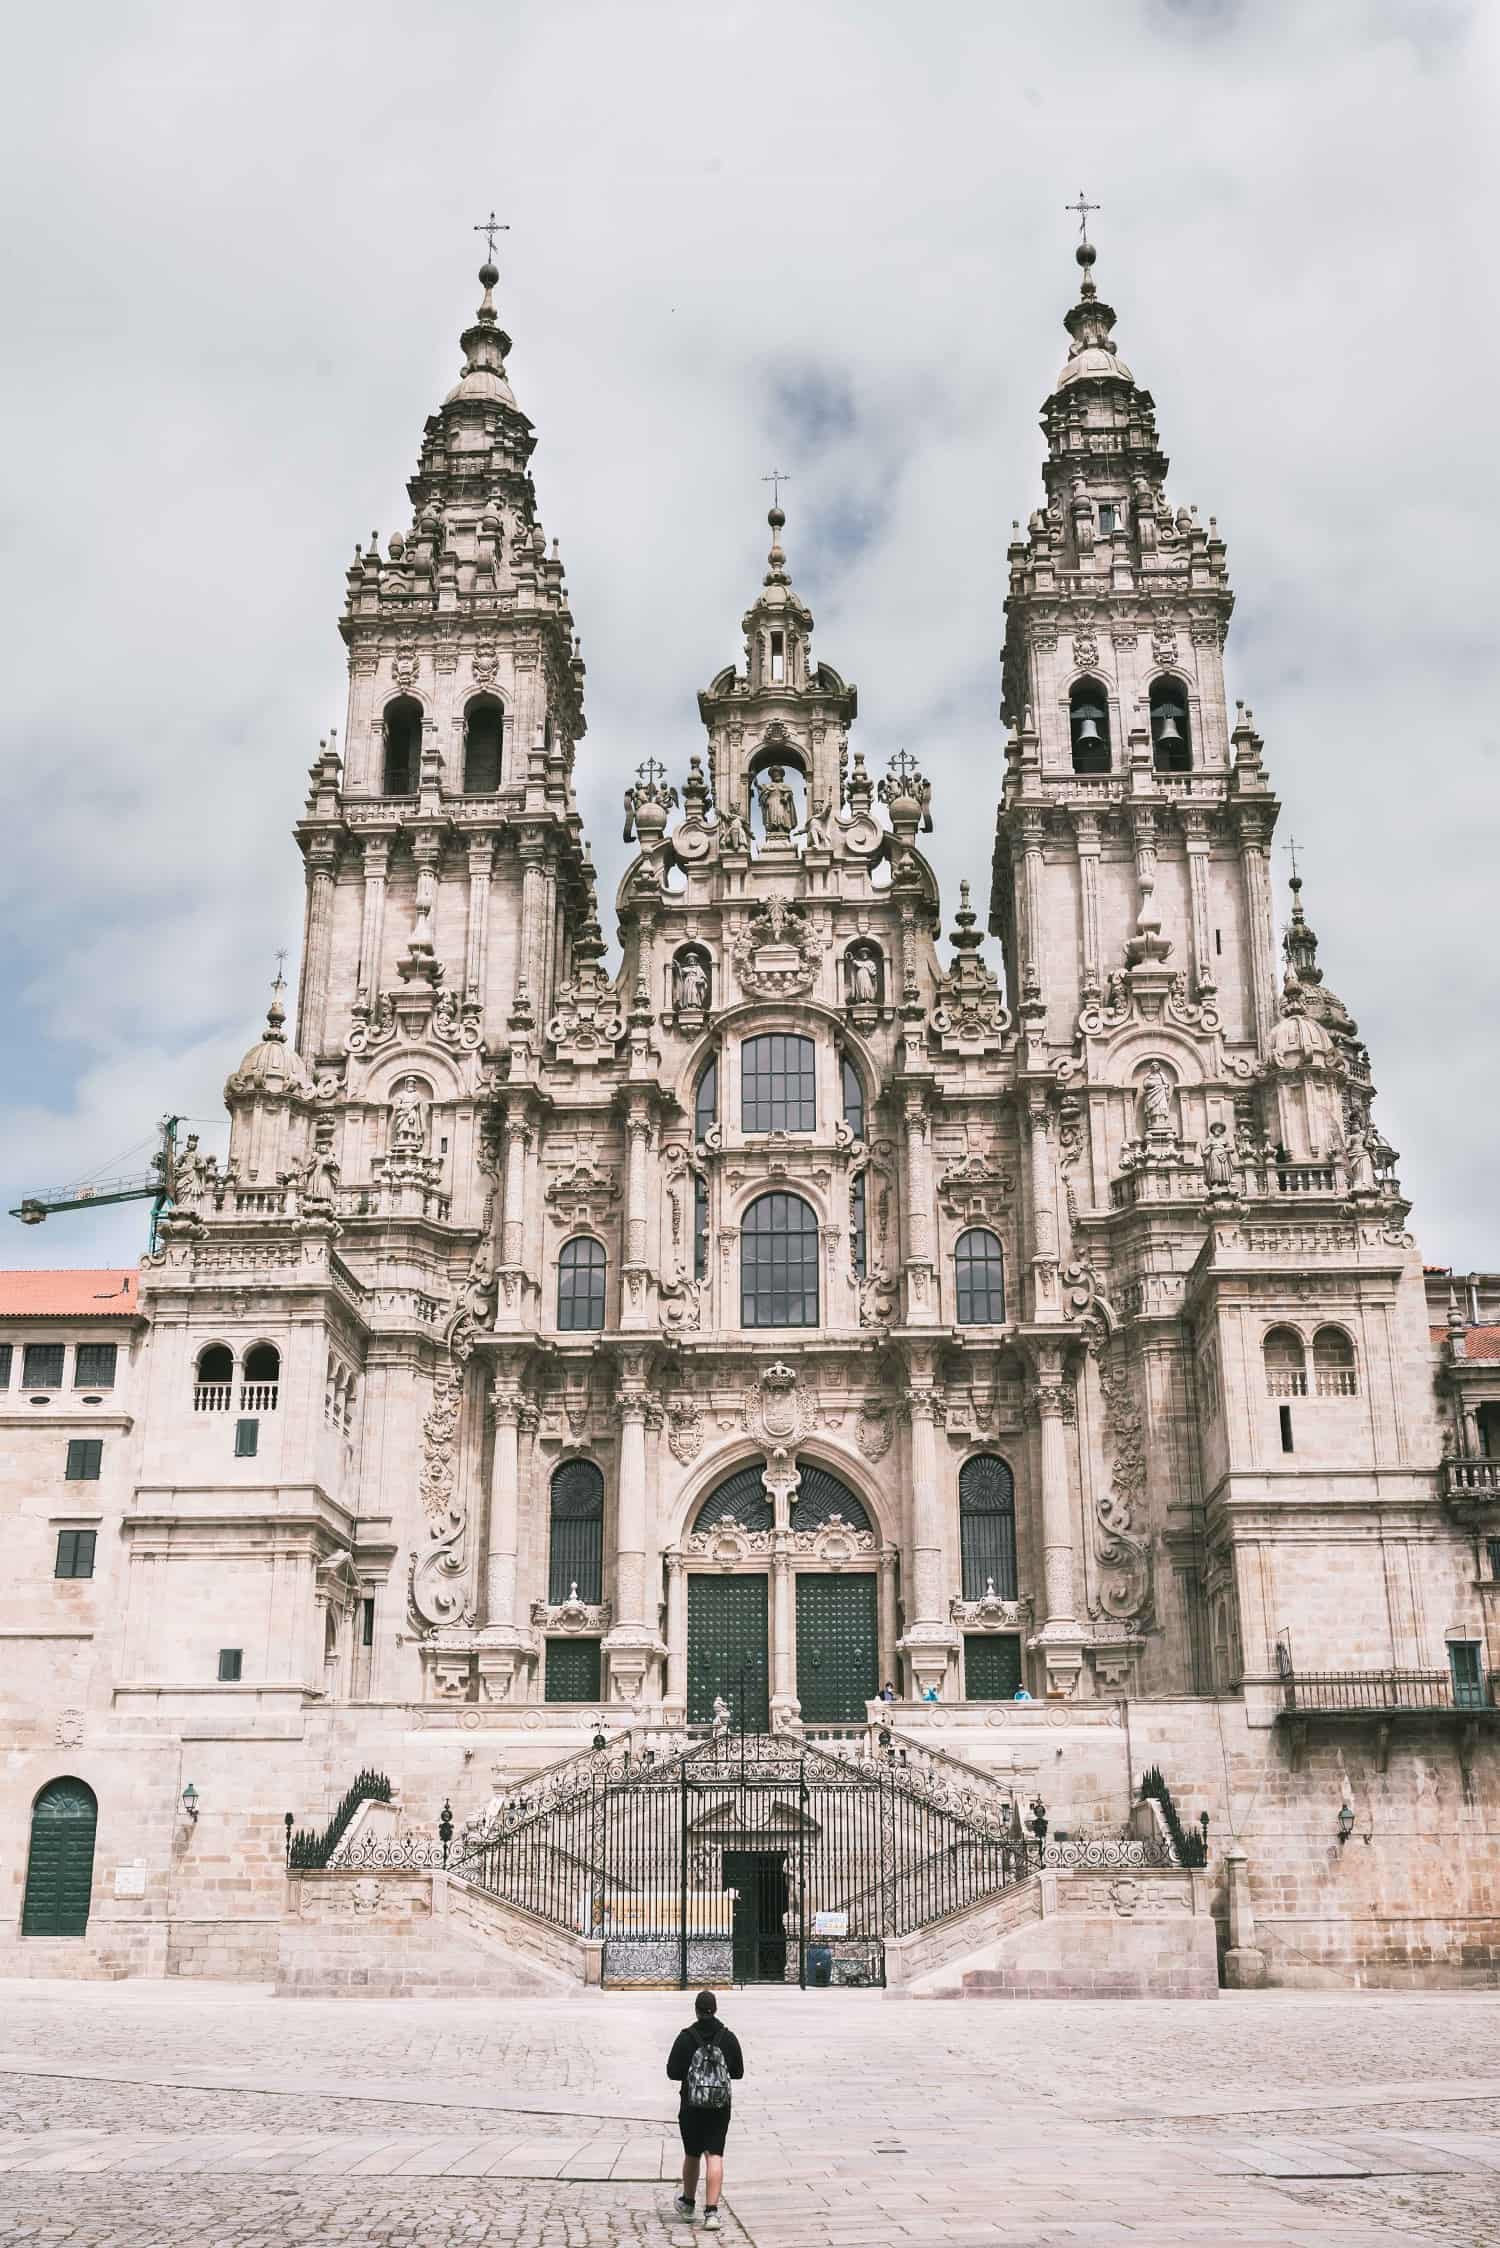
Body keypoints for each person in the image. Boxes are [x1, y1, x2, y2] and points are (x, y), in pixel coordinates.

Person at [668, 1990, 744, 2233]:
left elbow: (672, 2071)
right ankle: (711, 2212)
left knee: (692, 2153)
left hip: (691, 2105)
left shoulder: (686, 2037)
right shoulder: (728, 2038)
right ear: (716, 2009)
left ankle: (688, 2204)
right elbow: (738, 2072)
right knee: (715, 2155)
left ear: (697, 2010)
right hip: (719, 2107)